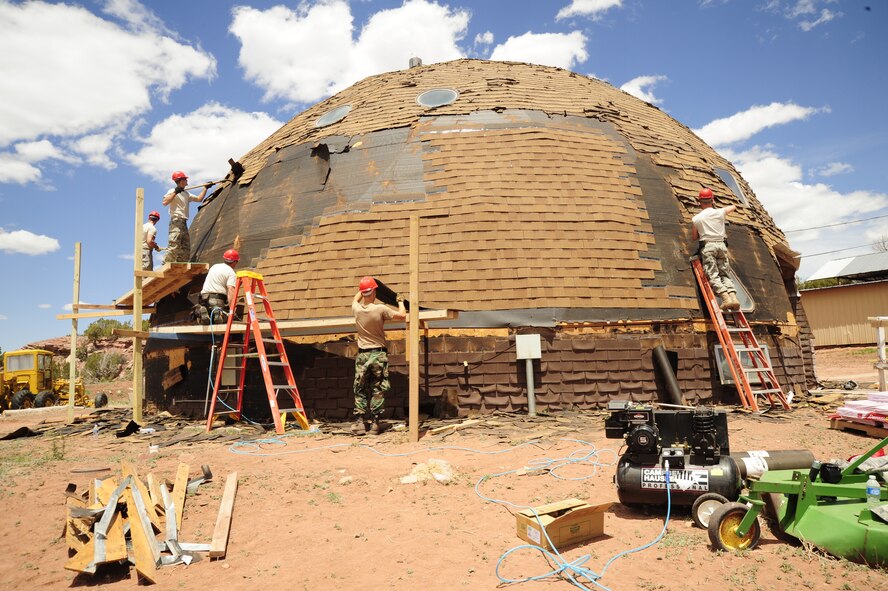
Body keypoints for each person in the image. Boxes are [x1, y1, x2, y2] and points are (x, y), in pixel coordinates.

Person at [351, 276, 406, 435]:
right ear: (374, 291)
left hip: (362, 355)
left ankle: (360, 424)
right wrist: (400, 300)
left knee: (360, 388)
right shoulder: (380, 309)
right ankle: (375, 425)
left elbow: (357, 297)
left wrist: (363, 288)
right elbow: (402, 315)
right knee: (377, 389)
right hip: (377, 354)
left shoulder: (356, 308)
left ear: (362, 292)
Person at [692, 188, 740, 311]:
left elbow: (694, 237)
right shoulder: (720, 213)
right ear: (712, 200)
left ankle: (725, 299)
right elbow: (734, 206)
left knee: (713, 274)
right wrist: (718, 208)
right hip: (721, 246)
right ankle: (734, 298)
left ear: (699, 202)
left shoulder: (696, 218)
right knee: (724, 273)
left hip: (708, 246)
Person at [162, 171, 213, 263]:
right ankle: (166, 264)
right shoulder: (172, 191)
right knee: (174, 244)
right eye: (185, 179)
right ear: (180, 180)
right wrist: (175, 192)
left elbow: (199, 199)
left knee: (185, 247)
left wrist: (205, 188)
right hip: (176, 221)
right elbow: (165, 202)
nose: (187, 181)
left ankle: (182, 264)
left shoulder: (186, 193)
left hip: (184, 222)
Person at [196, 249, 240, 324]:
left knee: (206, 322)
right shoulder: (231, 272)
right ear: (234, 262)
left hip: (203, 298)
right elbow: (231, 290)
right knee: (224, 320)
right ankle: (219, 314)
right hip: (216, 299)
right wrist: (232, 310)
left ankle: (205, 311)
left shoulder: (214, 266)